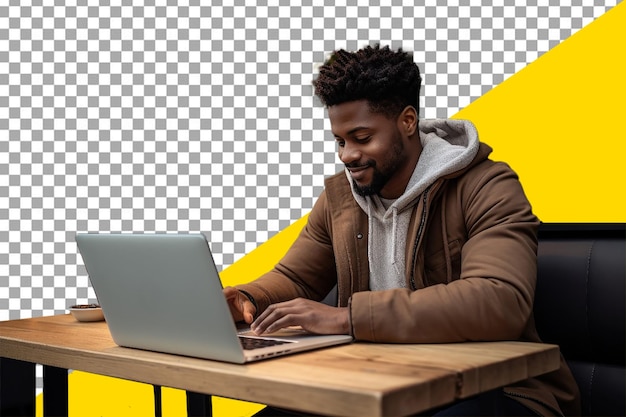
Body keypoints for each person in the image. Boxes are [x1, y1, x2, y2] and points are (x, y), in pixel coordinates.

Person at [223, 44, 580, 416]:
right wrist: (248, 299)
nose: (346, 155)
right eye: (340, 141)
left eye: (362, 138)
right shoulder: (341, 199)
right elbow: (295, 277)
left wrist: (348, 318)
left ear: (408, 121)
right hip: (377, 383)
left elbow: (499, 300)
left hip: (495, 390)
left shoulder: (487, 185)